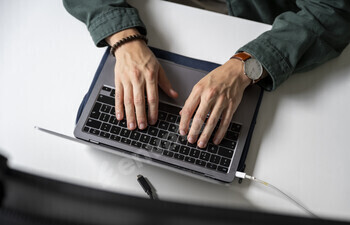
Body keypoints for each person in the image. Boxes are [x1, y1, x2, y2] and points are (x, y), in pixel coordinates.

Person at [63, 0, 350, 149]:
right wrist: (124, 38)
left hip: (259, 28)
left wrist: (247, 65)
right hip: (157, 19)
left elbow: (334, 10)